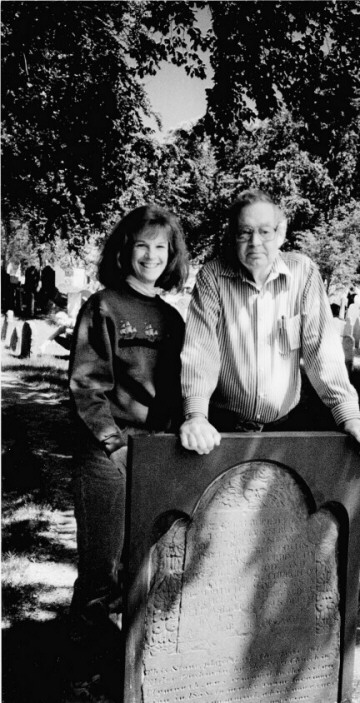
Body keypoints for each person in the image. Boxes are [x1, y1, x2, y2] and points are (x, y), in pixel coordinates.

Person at [180, 189, 360, 457]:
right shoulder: (213, 276)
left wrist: (350, 417)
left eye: (265, 232)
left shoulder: (303, 273)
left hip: (283, 429)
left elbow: (321, 350)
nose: (255, 242)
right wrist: (196, 415)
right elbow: (200, 350)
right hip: (219, 429)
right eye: (245, 232)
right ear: (233, 236)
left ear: (281, 233)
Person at [68, 205, 188, 649]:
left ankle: (131, 669)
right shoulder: (103, 306)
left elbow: (179, 390)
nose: (152, 255)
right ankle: (85, 667)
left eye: (161, 247)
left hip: (156, 452)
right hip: (108, 453)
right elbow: (86, 383)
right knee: (102, 569)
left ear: (172, 256)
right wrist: (111, 442)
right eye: (142, 245)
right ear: (125, 250)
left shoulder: (173, 318)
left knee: (145, 566)